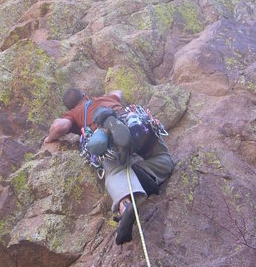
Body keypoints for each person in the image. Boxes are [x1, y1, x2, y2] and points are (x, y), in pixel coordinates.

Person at [44, 88, 174, 245]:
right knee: (163, 158)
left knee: (115, 171)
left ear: (69, 108)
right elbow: (119, 92)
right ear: (85, 95)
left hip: (107, 139)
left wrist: (49, 138)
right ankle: (146, 171)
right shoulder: (106, 98)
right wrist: (110, 96)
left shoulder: (72, 114)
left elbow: (59, 127)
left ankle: (126, 206)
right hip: (135, 125)